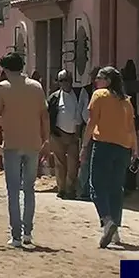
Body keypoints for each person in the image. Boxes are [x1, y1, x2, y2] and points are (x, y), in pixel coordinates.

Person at [0, 53, 49, 248]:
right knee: (29, 189)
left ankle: (15, 234)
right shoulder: (36, 87)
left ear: (5, 68)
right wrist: (46, 140)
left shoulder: (2, 88)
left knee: (13, 190)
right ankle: (28, 232)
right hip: (33, 143)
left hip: (12, 143)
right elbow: (44, 116)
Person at [83, 66, 138, 249]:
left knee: (96, 186)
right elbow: (131, 128)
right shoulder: (126, 101)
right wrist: (135, 150)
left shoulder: (100, 95)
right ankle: (115, 232)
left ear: (107, 80)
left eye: (99, 77)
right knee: (116, 188)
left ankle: (107, 221)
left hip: (103, 145)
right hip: (123, 147)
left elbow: (92, 122)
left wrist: (84, 145)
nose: (96, 81)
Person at [47, 69, 88, 199]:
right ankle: (62, 189)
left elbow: (82, 112)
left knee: (73, 163)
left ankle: (71, 189)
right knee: (60, 163)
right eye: (61, 81)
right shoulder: (54, 97)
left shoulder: (78, 93)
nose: (65, 83)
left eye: (67, 80)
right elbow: (48, 115)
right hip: (58, 134)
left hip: (73, 135)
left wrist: (78, 131)